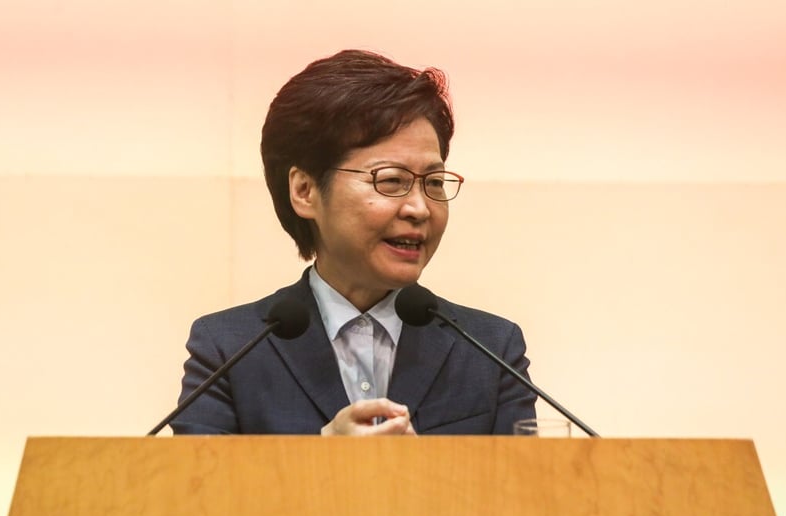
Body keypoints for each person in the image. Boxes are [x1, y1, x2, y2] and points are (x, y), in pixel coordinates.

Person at [171, 49, 537, 435]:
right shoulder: (228, 350)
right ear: (305, 190)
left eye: (433, 183)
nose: (419, 208)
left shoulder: (491, 351)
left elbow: (523, 494)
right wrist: (322, 464)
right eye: (390, 180)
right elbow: (197, 493)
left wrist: (427, 473)